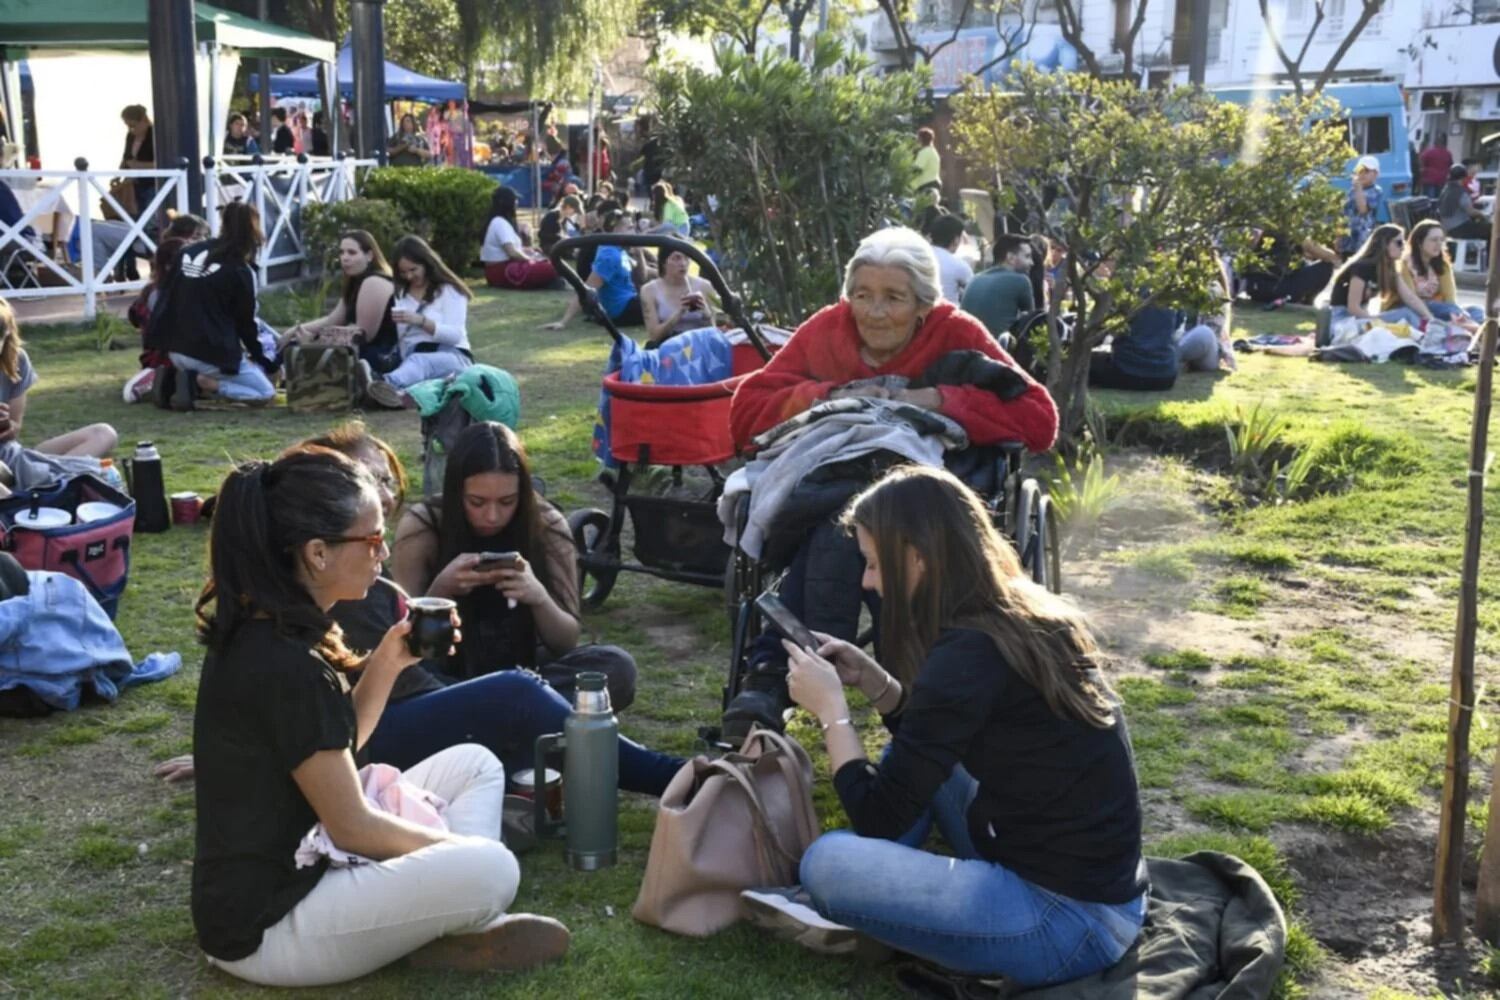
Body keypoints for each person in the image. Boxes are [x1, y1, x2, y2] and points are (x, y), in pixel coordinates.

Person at [741, 466, 1145, 987]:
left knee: (825, 863)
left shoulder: (966, 653)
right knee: (912, 758)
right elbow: (934, 738)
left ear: (917, 558)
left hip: (1067, 920)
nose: (866, 582)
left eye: (871, 563)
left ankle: (872, 903)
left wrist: (832, 711)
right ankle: (895, 898)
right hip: (1101, 889)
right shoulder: (1017, 615)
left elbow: (879, 817)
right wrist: (876, 683)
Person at [189, 445, 570, 987]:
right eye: (371, 538)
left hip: (301, 863)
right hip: (271, 927)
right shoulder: (285, 664)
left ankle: (443, 920)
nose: (384, 551)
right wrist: (462, 851)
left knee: (475, 764)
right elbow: (354, 826)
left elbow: (338, 755)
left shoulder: (270, 629)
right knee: (494, 867)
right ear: (317, 553)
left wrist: (389, 661)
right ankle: (456, 913)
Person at [156, 421, 683, 795]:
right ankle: (666, 776)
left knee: (583, 677)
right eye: (362, 484)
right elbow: (281, 705)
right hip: (391, 724)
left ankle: (531, 741)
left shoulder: (337, 579)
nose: (382, 496)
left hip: (393, 718)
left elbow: (287, 707)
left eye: (385, 481)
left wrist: (534, 600)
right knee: (518, 698)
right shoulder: (335, 586)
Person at [722, 227, 1058, 738]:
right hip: (835, 480)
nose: (874, 312)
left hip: (926, 498)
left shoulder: (955, 332)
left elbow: (1038, 418)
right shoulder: (829, 329)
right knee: (852, 524)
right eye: (863, 295)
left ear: (924, 303)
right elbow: (746, 410)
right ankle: (906, 691)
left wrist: (938, 400)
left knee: (860, 527)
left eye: (893, 298)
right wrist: (829, 395)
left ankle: (772, 675)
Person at [391, 422, 640, 709]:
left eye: (507, 502)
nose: (493, 516)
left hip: (527, 674)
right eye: (477, 502)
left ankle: (493, 716)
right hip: (450, 677)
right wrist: (441, 591)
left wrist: (538, 597)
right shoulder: (423, 527)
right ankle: (516, 715)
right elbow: (403, 643)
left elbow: (566, 642)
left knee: (617, 667)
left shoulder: (545, 524)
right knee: (408, 682)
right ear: (456, 493)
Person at [145, 202, 278, 409]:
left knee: (235, 370)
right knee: (264, 392)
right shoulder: (241, 271)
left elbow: (167, 297)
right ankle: (204, 383)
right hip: (209, 352)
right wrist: (265, 359)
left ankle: (176, 379)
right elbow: (246, 323)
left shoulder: (186, 253)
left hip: (173, 347)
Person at [363, 235, 474, 409]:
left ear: (427, 263)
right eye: (403, 272)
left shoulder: (449, 291)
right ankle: (391, 397)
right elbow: (405, 343)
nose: (409, 276)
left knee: (420, 362)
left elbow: (455, 335)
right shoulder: (402, 295)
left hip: (453, 357)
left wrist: (421, 321)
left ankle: (383, 384)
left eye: (413, 270)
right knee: (415, 375)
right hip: (413, 361)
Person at [0, 299, 117, 458]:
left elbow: (15, 427)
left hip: (10, 457)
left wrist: (7, 426)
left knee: (103, 434)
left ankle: (53, 473)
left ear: (7, 334)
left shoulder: (16, 360)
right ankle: (53, 475)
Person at [282, 230, 401, 374]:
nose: (344, 258)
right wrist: (296, 330)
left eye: (352, 253)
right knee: (292, 344)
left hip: (378, 357)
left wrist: (315, 342)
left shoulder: (374, 282)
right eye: (342, 252)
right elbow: (333, 320)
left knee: (301, 351)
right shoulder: (356, 282)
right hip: (355, 350)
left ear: (369, 255)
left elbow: (362, 335)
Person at [123, 213, 212, 403]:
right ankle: (158, 378)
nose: (203, 242)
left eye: (205, 236)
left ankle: (161, 378)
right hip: (169, 354)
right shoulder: (164, 290)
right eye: (197, 237)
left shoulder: (158, 285)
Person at [541, 210, 643, 330]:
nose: (634, 232)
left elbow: (642, 276)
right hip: (620, 310)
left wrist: (639, 253)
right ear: (616, 230)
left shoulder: (618, 249)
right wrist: (564, 322)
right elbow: (587, 290)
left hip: (628, 301)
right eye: (630, 228)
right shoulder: (609, 256)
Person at [1327, 223, 1433, 330]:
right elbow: (1353, 308)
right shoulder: (1362, 267)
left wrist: (1430, 319)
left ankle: (1432, 331)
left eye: (1404, 244)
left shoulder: (1389, 271)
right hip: (1342, 320)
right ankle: (1431, 335)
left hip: (1359, 319)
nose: (1403, 248)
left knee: (1408, 312)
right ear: (1385, 243)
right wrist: (1378, 323)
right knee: (1405, 314)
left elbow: (1410, 298)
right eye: (1399, 243)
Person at [1390, 219, 1481, 332]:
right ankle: (1475, 330)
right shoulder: (1405, 264)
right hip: (1414, 309)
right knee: (1444, 307)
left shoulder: (1442, 265)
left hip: (1440, 309)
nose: (1439, 244)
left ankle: (1480, 329)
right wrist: (1451, 311)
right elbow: (1411, 299)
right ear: (1419, 242)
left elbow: (1449, 298)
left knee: (1476, 310)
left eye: (1441, 240)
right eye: (1434, 240)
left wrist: (1455, 314)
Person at [481, 186, 559, 290]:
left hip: (504, 267)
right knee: (551, 268)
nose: (517, 203)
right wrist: (531, 260)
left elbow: (512, 249)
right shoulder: (499, 222)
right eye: (515, 200)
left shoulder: (502, 222)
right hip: (499, 271)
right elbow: (512, 252)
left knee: (549, 264)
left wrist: (528, 250)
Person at [960, 234, 1035, 341]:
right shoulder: (1021, 280)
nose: (1031, 263)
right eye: (1027, 256)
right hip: (995, 350)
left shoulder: (976, 278)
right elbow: (1032, 323)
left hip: (963, 348)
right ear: (1011, 258)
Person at [639, 249, 720, 348]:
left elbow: (713, 332)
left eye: (687, 258)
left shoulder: (704, 286)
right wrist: (679, 313)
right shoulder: (649, 290)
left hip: (698, 344)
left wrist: (706, 314)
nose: (683, 263)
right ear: (664, 262)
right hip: (667, 346)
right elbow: (654, 336)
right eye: (676, 258)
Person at [1341, 155, 1384, 255]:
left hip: (1363, 238)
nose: (1362, 174)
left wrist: (1358, 188)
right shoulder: (1352, 191)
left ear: (1376, 174)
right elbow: (1344, 213)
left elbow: (1363, 210)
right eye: (1360, 171)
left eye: (1367, 171)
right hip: (1348, 238)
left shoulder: (1376, 191)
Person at [926, 213, 973, 305]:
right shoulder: (958, 265)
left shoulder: (919, 257)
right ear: (956, 240)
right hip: (948, 315)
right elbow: (975, 291)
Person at [1439, 163, 1491, 240]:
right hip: (1459, 228)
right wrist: (1483, 215)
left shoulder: (1445, 190)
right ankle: (1491, 252)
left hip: (1446, 228)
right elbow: (1471, 212)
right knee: (1491, 229)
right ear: (1463, 178)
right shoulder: (1460, 192)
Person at [120, 104, 156, 216]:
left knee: (149, 216)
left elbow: (162, 163)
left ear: (143, 121)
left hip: (151, 184)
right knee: (133, 215)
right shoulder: (130, 136)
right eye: (127, 126)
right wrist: (119, 173)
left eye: (133, 125)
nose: (130, 129)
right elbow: (126, 155)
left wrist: (138, 165)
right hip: (133, 183)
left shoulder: (155, 135)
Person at [1419, 133, 1454, 199]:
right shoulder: (1448, 153)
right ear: (1444, 143)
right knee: (1438, 199)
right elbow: (1451, 165)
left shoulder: (1428, 152)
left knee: (1428, 199)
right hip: (1442, 179)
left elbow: (1422, 163)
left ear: (1435, 143)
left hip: (1429, 179)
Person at [912, 127, 941, 197]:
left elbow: (917, 169)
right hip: (933, 183)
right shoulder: (933, 151)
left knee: (925, 207)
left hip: (925, 185)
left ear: (921, 139)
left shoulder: (925, 152)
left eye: (918, 138)